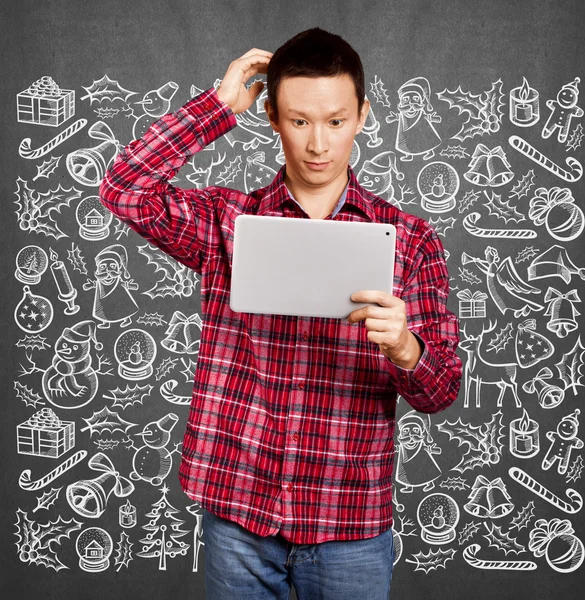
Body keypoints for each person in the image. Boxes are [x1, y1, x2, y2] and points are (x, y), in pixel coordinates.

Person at [99, 27, 462, 600]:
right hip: (239, 511)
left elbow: (441, 391)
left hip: (350, 523)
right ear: (271, 117)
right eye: (299, 121)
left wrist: (404, 347)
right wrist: (218, 107)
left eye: (336, 121)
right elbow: (125, 190)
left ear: (363, 115)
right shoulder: (226, 222)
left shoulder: (412, 241)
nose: (318, 143)